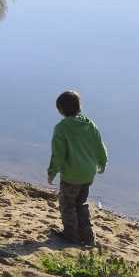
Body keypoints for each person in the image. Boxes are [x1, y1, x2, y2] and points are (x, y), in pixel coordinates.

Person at [46, 90, 108, 246]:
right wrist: (102, 163)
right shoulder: (90, 124)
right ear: (79, 106)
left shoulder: (61, 128)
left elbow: (58, 154)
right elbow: (100, 146)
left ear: (61, 110)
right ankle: (88, 236)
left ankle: (71, 235)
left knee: (67, 205)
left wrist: (52, 172)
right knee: (81, 203)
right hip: (88, 174)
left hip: (71, 176)